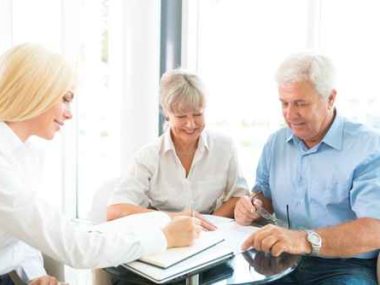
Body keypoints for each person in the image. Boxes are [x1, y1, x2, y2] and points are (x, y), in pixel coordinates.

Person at [0, 43, 201, 285]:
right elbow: (78, 249)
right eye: (65, 99)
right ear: (36, 92)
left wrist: (35, 275)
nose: (69, 113)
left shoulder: (26, 154)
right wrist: (164, 238)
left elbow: (20, 230)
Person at [235, 52, 380, 284]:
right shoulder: (275, 144)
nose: (290, 115)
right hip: (282, 260)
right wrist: (253, 206)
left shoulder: (368, 146)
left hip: (344, 267)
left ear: (330, 98)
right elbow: (264, 197)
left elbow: (375, 228)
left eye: (301, 104)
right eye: (284, 103)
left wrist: (303, 240)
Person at [107, 70, 249, 225]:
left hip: (212, 232)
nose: (191, 124)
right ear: (167, 113)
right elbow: (115, 210)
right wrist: (176, 218)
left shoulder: (224, 147)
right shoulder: (149, 156)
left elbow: (239, 195)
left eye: (197, 114)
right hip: (166, 233)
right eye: (181, 116)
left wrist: (206, 224)